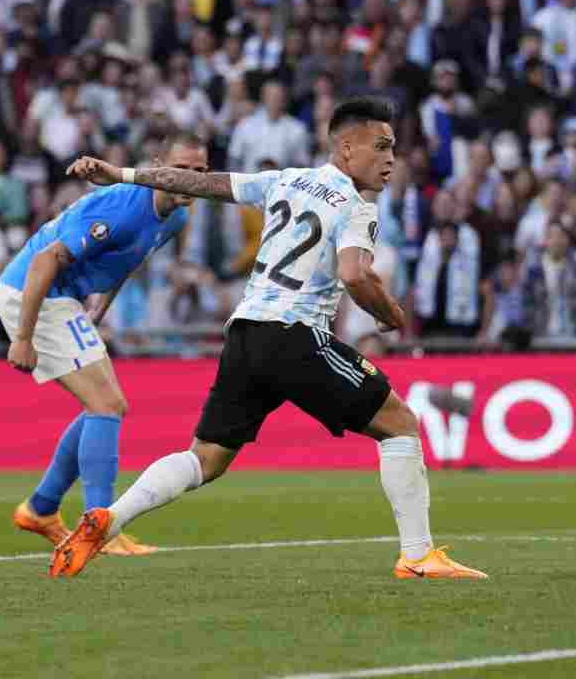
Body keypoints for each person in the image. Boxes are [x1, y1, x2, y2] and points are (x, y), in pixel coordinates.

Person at [51, 97, 485, 580]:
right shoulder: (357, 206)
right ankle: (419, 556)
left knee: (206, 459)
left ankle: (111, 518)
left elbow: (200, 184)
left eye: (394, 149)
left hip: (244, 335)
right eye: (381, 147)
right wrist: (392, 314)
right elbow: (356, 275)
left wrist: (123, 173)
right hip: (293, 335)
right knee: (399, 423)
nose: (390, 159)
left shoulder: (285, 179)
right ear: (346, 149)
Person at [0, 132, 207, 557]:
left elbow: (129, 261)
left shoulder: (175, 217)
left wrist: (100, 308)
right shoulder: (123, 208)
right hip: (32, 293)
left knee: (105, 406)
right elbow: (44, 261)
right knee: (107, 406)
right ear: (155, 166)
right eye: (180, 169)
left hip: (64, 299)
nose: (190, 180)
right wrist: (22, 336)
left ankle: (42, 508)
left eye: (199, 172)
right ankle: (98, 524)